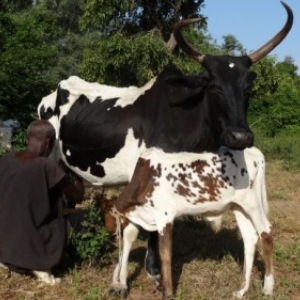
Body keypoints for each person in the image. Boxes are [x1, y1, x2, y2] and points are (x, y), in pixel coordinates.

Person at [0, 119, 85, 284]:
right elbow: (78, 197)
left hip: (3, 246)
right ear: (49, 143)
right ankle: (41, 263)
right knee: (63, 207)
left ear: (27, 139)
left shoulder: (5, 160)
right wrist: (76, 174)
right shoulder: (47, 166)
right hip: (34, 251)